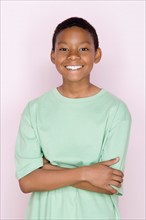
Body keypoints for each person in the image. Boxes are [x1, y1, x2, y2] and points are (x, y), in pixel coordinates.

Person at [15, 17, 131, 220]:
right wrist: (86, 173)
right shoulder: (34, 110)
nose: (73, 56)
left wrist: (48, 169)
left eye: (84, 49)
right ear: (53, 56)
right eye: (64, 49)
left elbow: (109, 184)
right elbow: (27, 181)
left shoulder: (115, 110)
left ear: (97, 54)